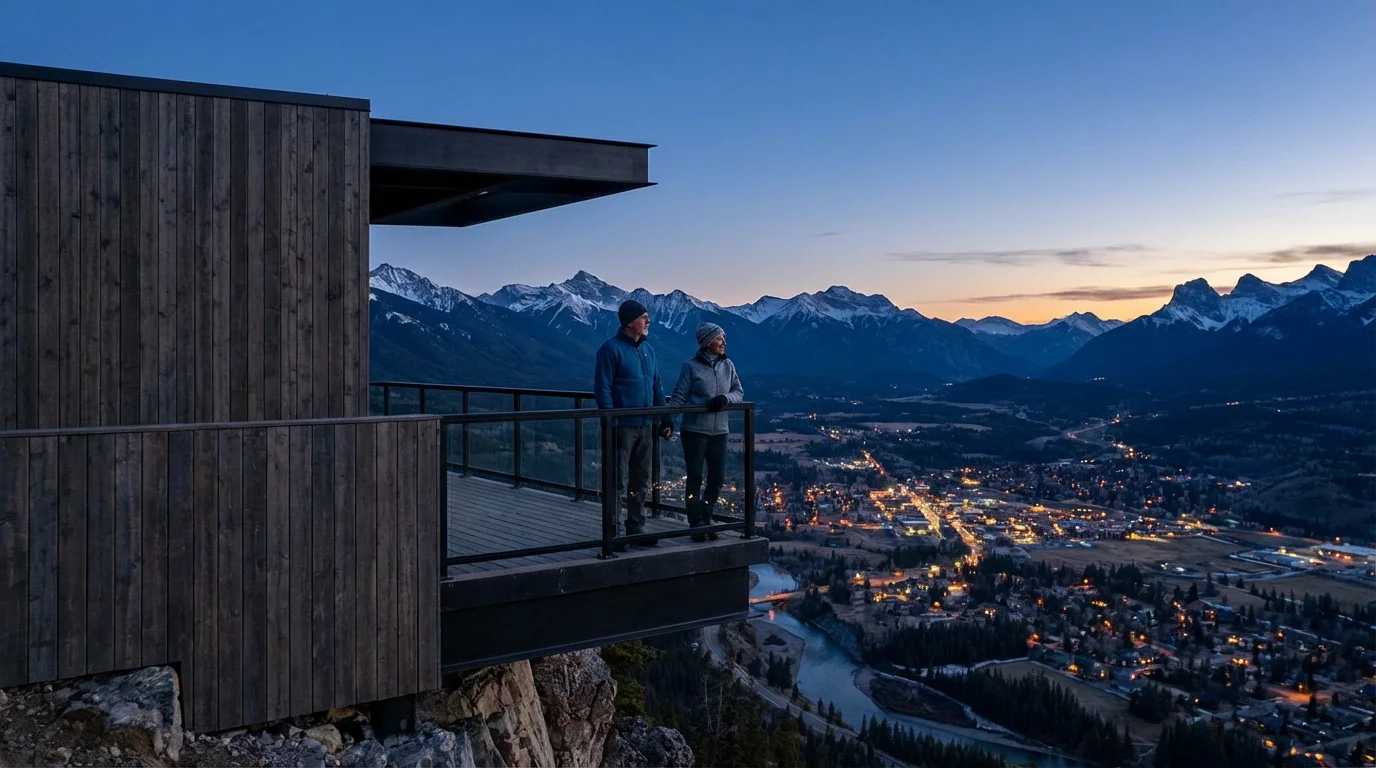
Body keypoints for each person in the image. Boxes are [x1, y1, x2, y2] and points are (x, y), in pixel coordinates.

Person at [594, 299, 673, 548]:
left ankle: (636, 526)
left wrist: (665, 417)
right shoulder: (610, 349)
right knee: (617, 479)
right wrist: (609, 419)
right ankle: (613, 531)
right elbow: (603, 388)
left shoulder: (648, 350)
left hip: (646, 424)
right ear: (630, 322)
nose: (648, 321)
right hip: (622, 425)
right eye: (644, 317)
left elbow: (657, 385)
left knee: (640, 478)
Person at [667, 322, 744, 542]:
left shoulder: (728, 365)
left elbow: (738, 391)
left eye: (723, 338)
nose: (724, 342)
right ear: (707, 342)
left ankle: (706, 517)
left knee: (717, 478)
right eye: (720, 338)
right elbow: (679, 396)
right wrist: (668, 419)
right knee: (695, 477)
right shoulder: (689, 367)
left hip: (720, 430)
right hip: (694, 430)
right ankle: (695, 523)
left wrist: (725, 399)